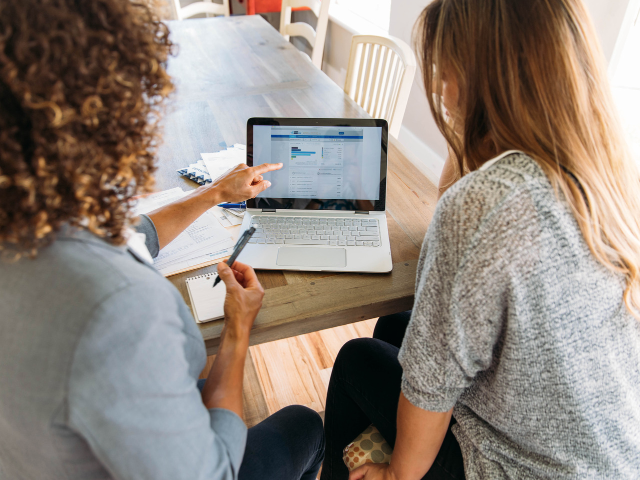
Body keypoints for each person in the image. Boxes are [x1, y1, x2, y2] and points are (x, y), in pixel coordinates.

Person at [0, 1, 324, 479]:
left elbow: (133, 236)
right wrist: (237, 331)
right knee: (306, 424)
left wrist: (215, 194)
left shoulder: (29, 221)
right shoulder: (118, 309)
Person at [321, 0, 640, 479]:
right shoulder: (609, 174)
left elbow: (429, 388)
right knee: (395, 325)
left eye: (444, 70)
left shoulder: (483, 204)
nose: (439, 90)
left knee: (355, 359)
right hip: (612, 457)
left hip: (520, 468)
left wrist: (396, 475)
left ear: (479, 77)